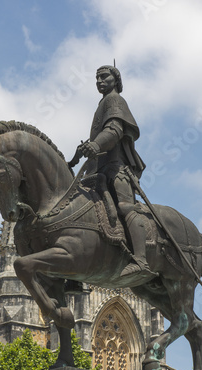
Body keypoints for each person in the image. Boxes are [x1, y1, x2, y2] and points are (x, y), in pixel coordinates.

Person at [77, 65, 154, 279]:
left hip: (115, 167)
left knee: (125, 206)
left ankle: (140, 259)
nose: (99, 81)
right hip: (97, 168)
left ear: (115, 79)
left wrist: (96, 145)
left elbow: (115, 130)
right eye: (96, 78)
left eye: (104, 76)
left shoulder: (115, 100)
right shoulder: (102, 104)